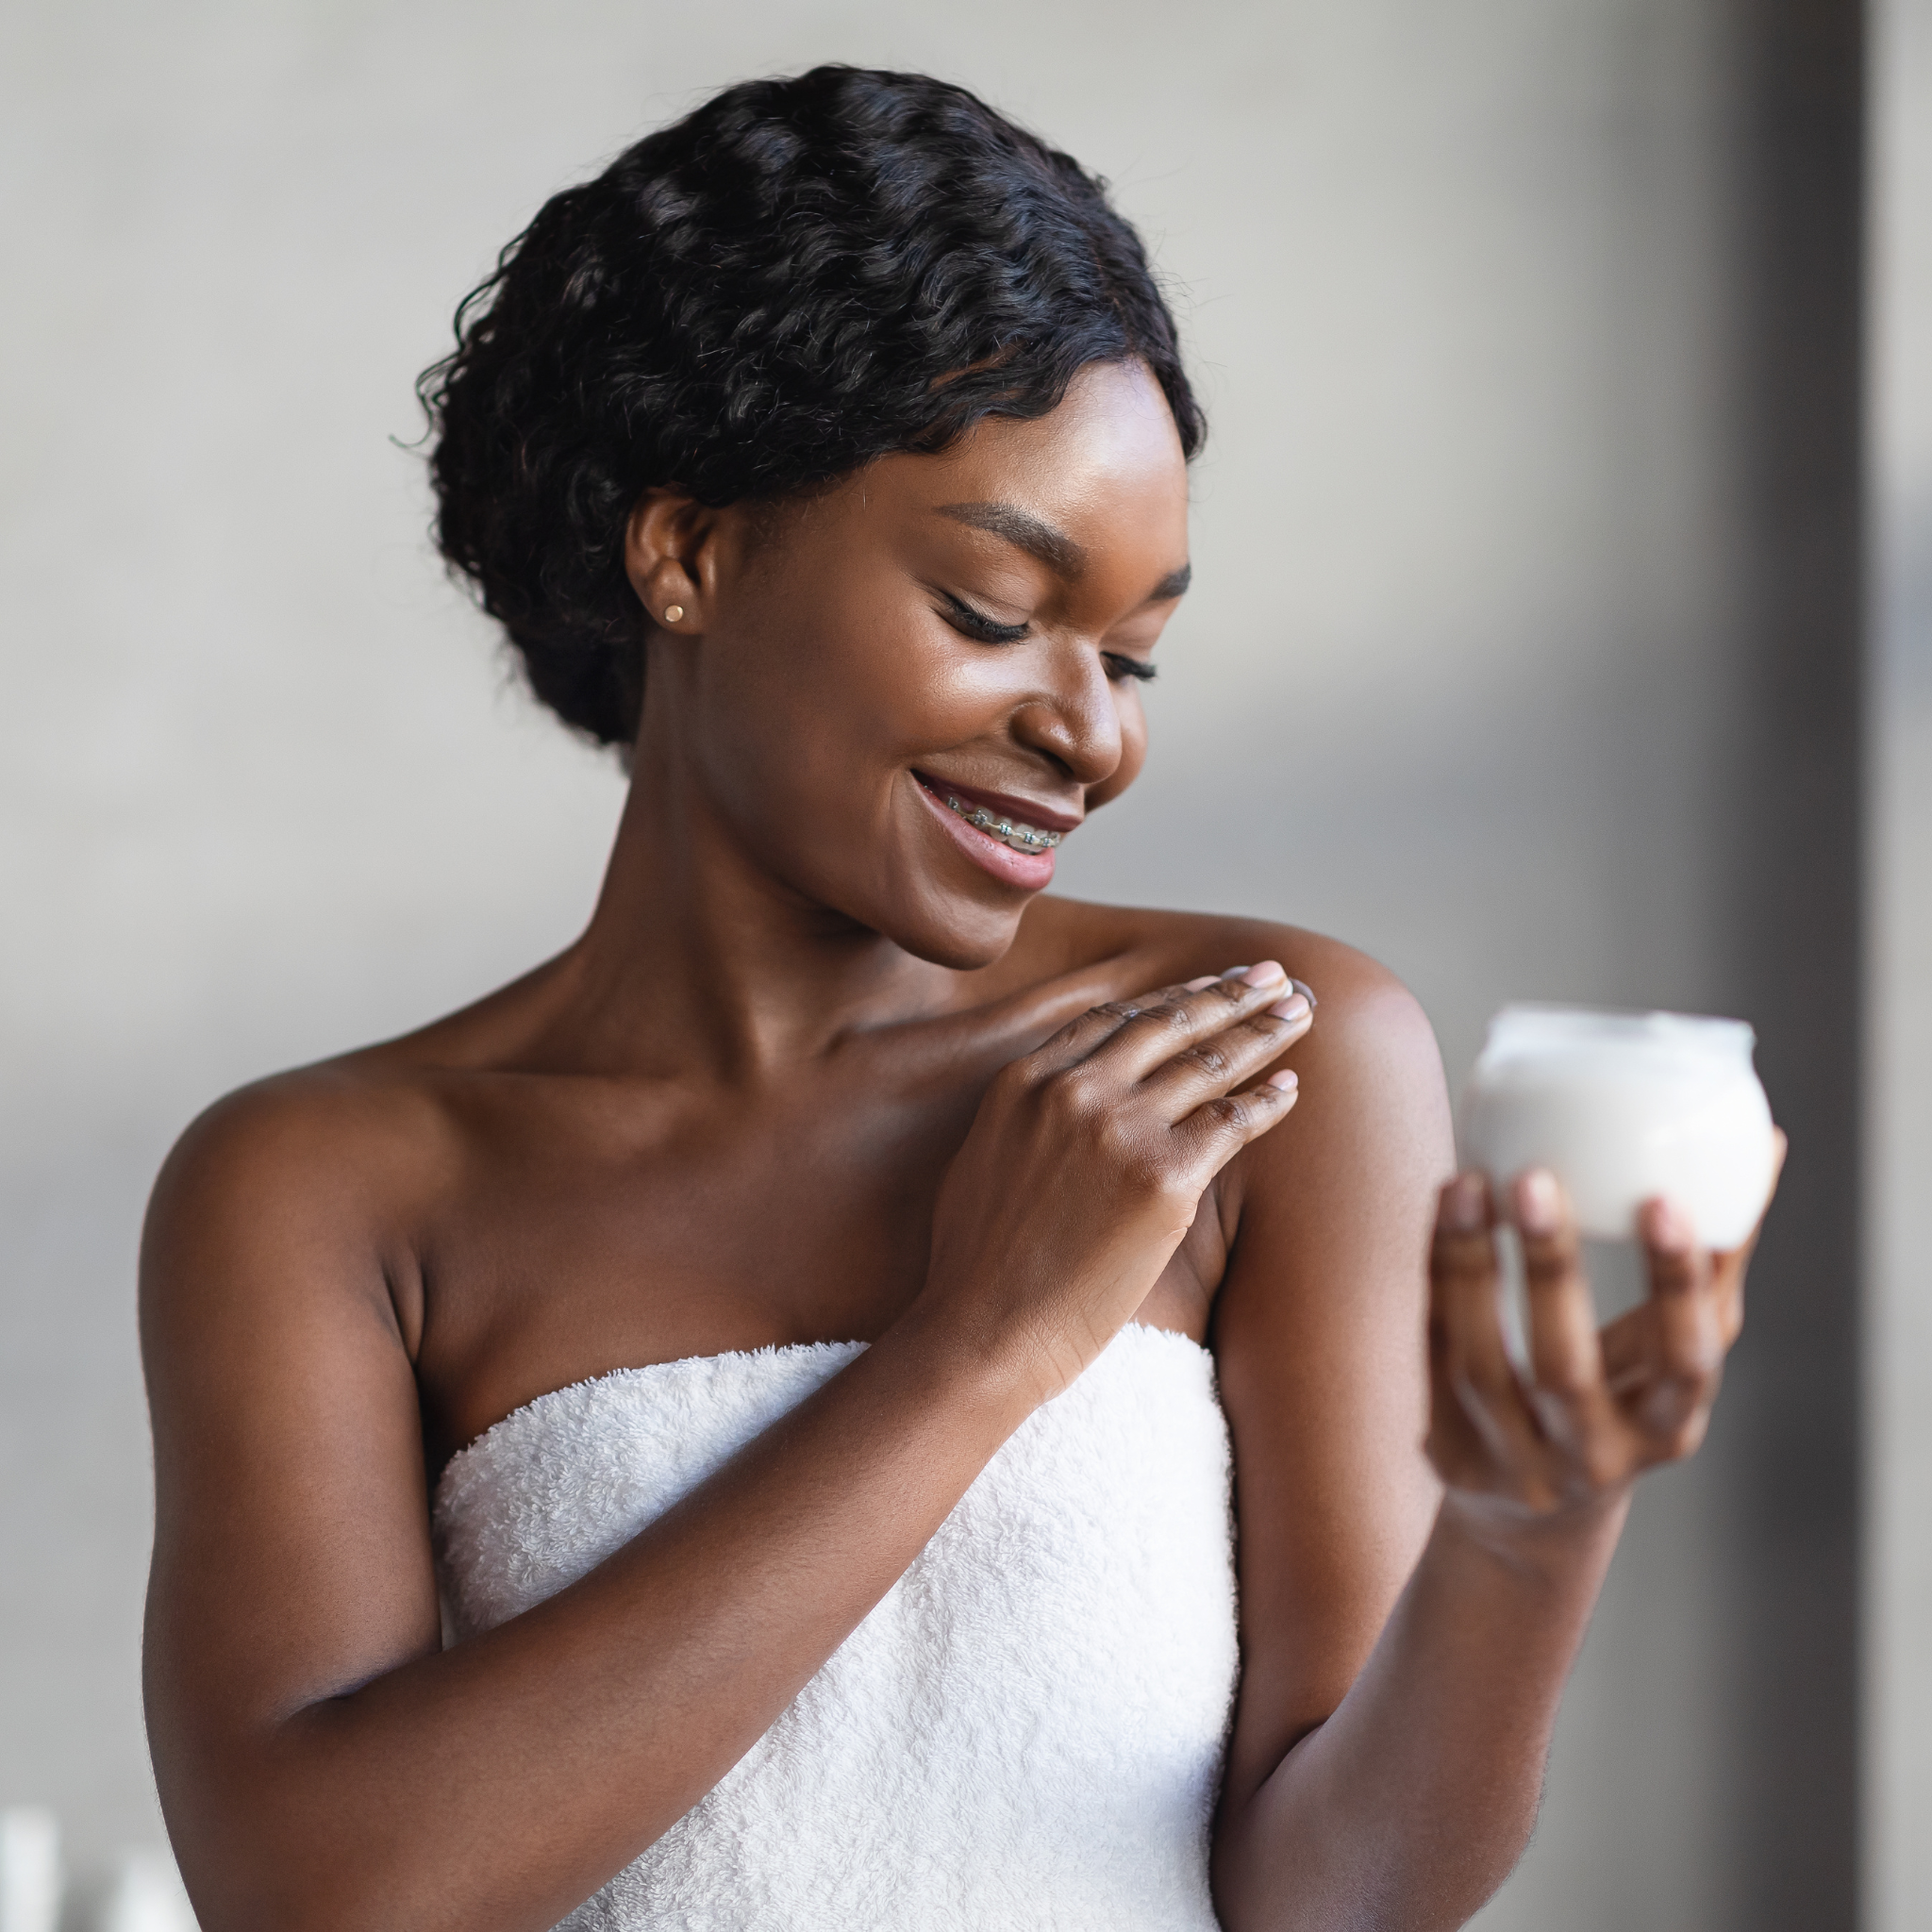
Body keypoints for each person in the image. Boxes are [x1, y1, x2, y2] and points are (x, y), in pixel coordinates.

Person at [139, 65, 1773, 1932]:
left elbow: (1344, 1898)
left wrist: (1525, 1526)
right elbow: (328, 1898)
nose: (1091, 733)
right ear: (688, 551)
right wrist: (977, 1344)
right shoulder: (329, 1188)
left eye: (1135, 652)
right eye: (997, 613)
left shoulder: (1262, 1065)